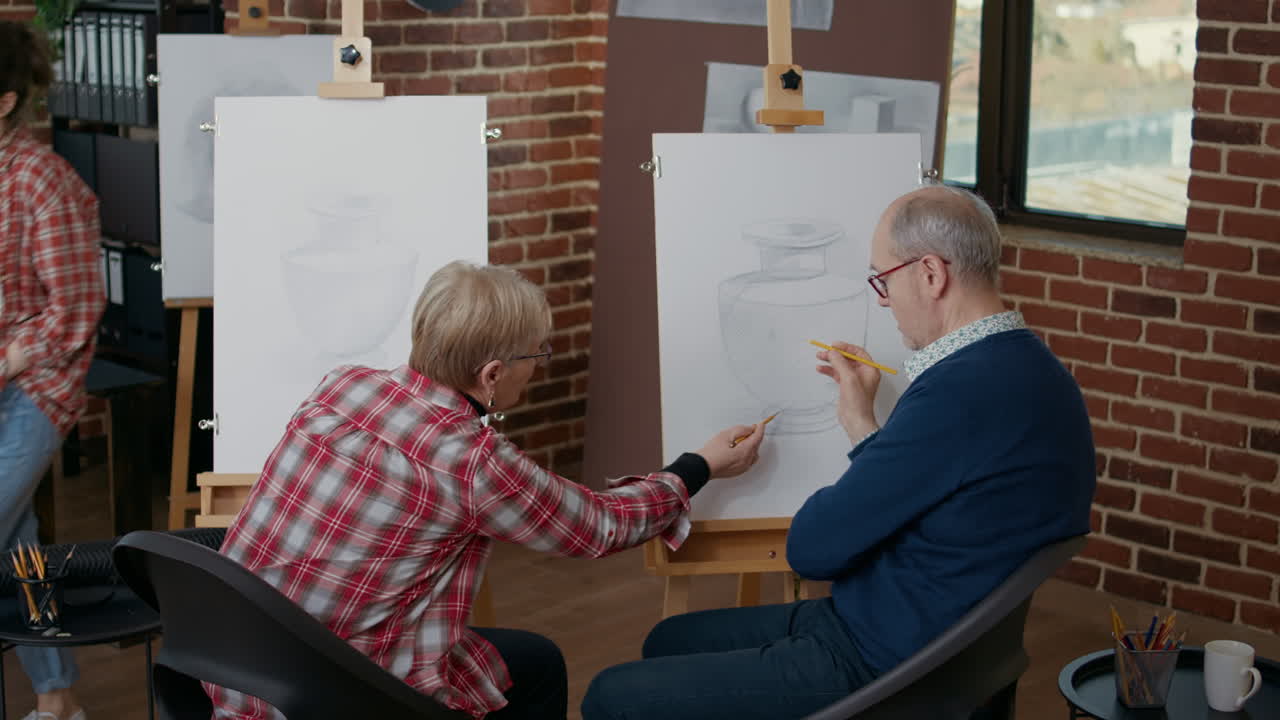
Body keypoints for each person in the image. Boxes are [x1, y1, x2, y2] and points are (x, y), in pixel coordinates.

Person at [581, 185, 1097, 720]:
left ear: (930, 274)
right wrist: (862, 425)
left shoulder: (960, 393)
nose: (879, 298)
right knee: (670, 639)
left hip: (883, 661)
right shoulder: (1037, 374)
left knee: (609, 697)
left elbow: (813, 550)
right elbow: (933, 492)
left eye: (882, 279)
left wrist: (869, 455)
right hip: (934, 635)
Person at [206, 260, 767, 719]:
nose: (540, 367)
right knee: (540, 665)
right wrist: (699, 466)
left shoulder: (344, 384)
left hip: (234, 662)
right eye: (538, 355)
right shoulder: (472, 463)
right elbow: (600, 526)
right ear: (494, 374)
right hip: (329, 691)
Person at [1, 20, 106, 720]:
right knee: (17, 541)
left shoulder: (43, 179)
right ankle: (58, 696)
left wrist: (7, 360)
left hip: (34, 387)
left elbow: (74, 311)